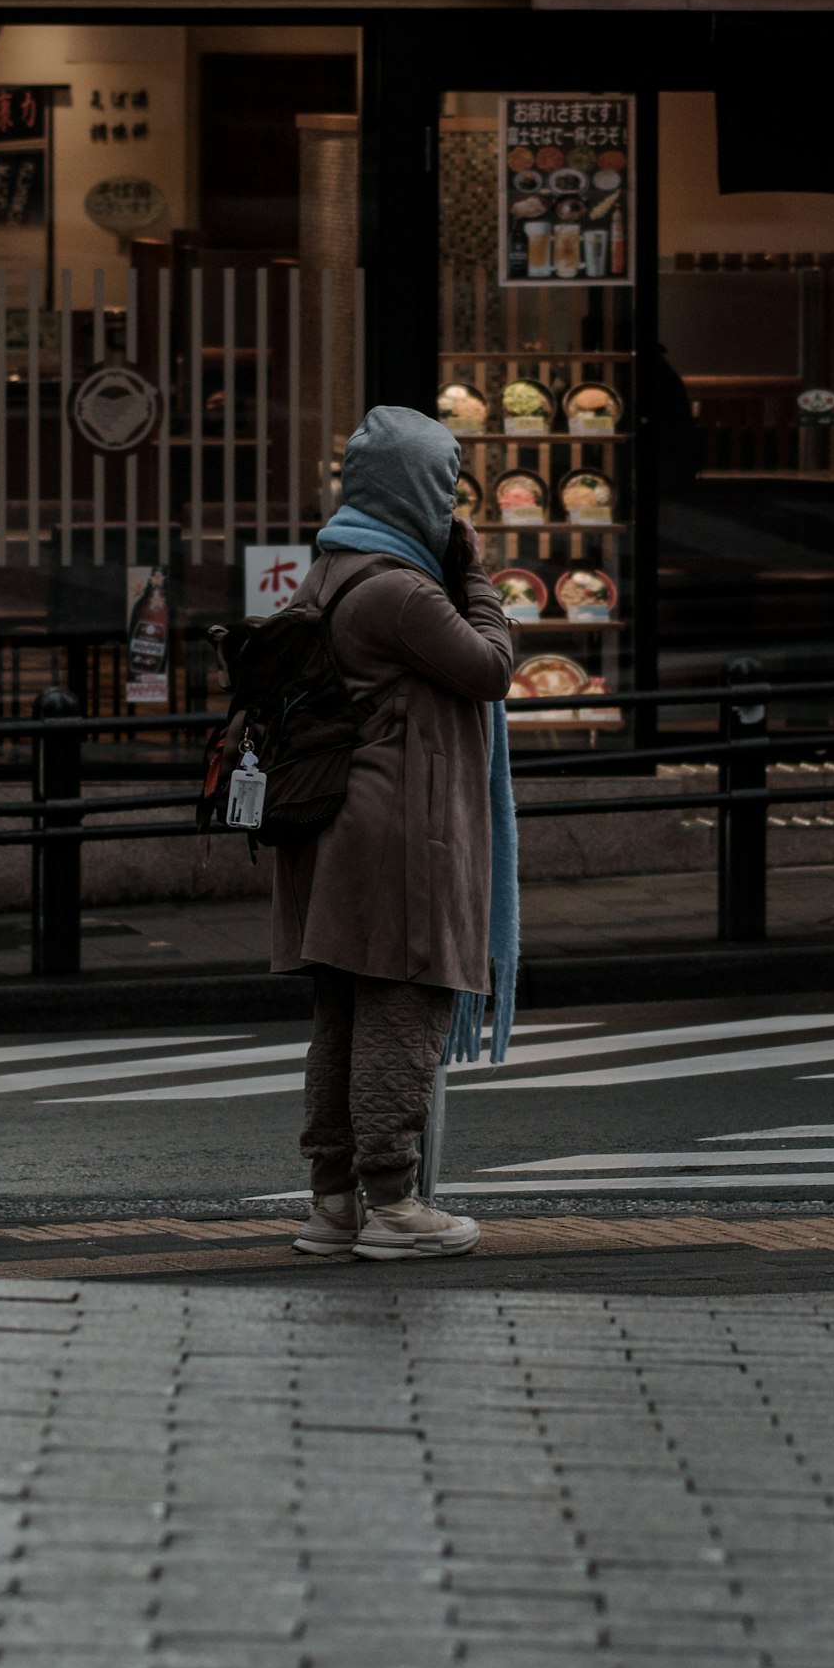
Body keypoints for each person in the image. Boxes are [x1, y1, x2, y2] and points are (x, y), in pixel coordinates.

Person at [274, 403, 519, 1262]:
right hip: (400, 832)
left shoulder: (330, 570)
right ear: (416, 489)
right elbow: (492, 667)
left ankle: (333, 1202)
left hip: (338, 825)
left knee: (340, 1010)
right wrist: (478, 574)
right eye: (445, 485)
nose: (453, 504)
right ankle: (394, 1204)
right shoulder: (402, 591)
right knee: (402, 1007)